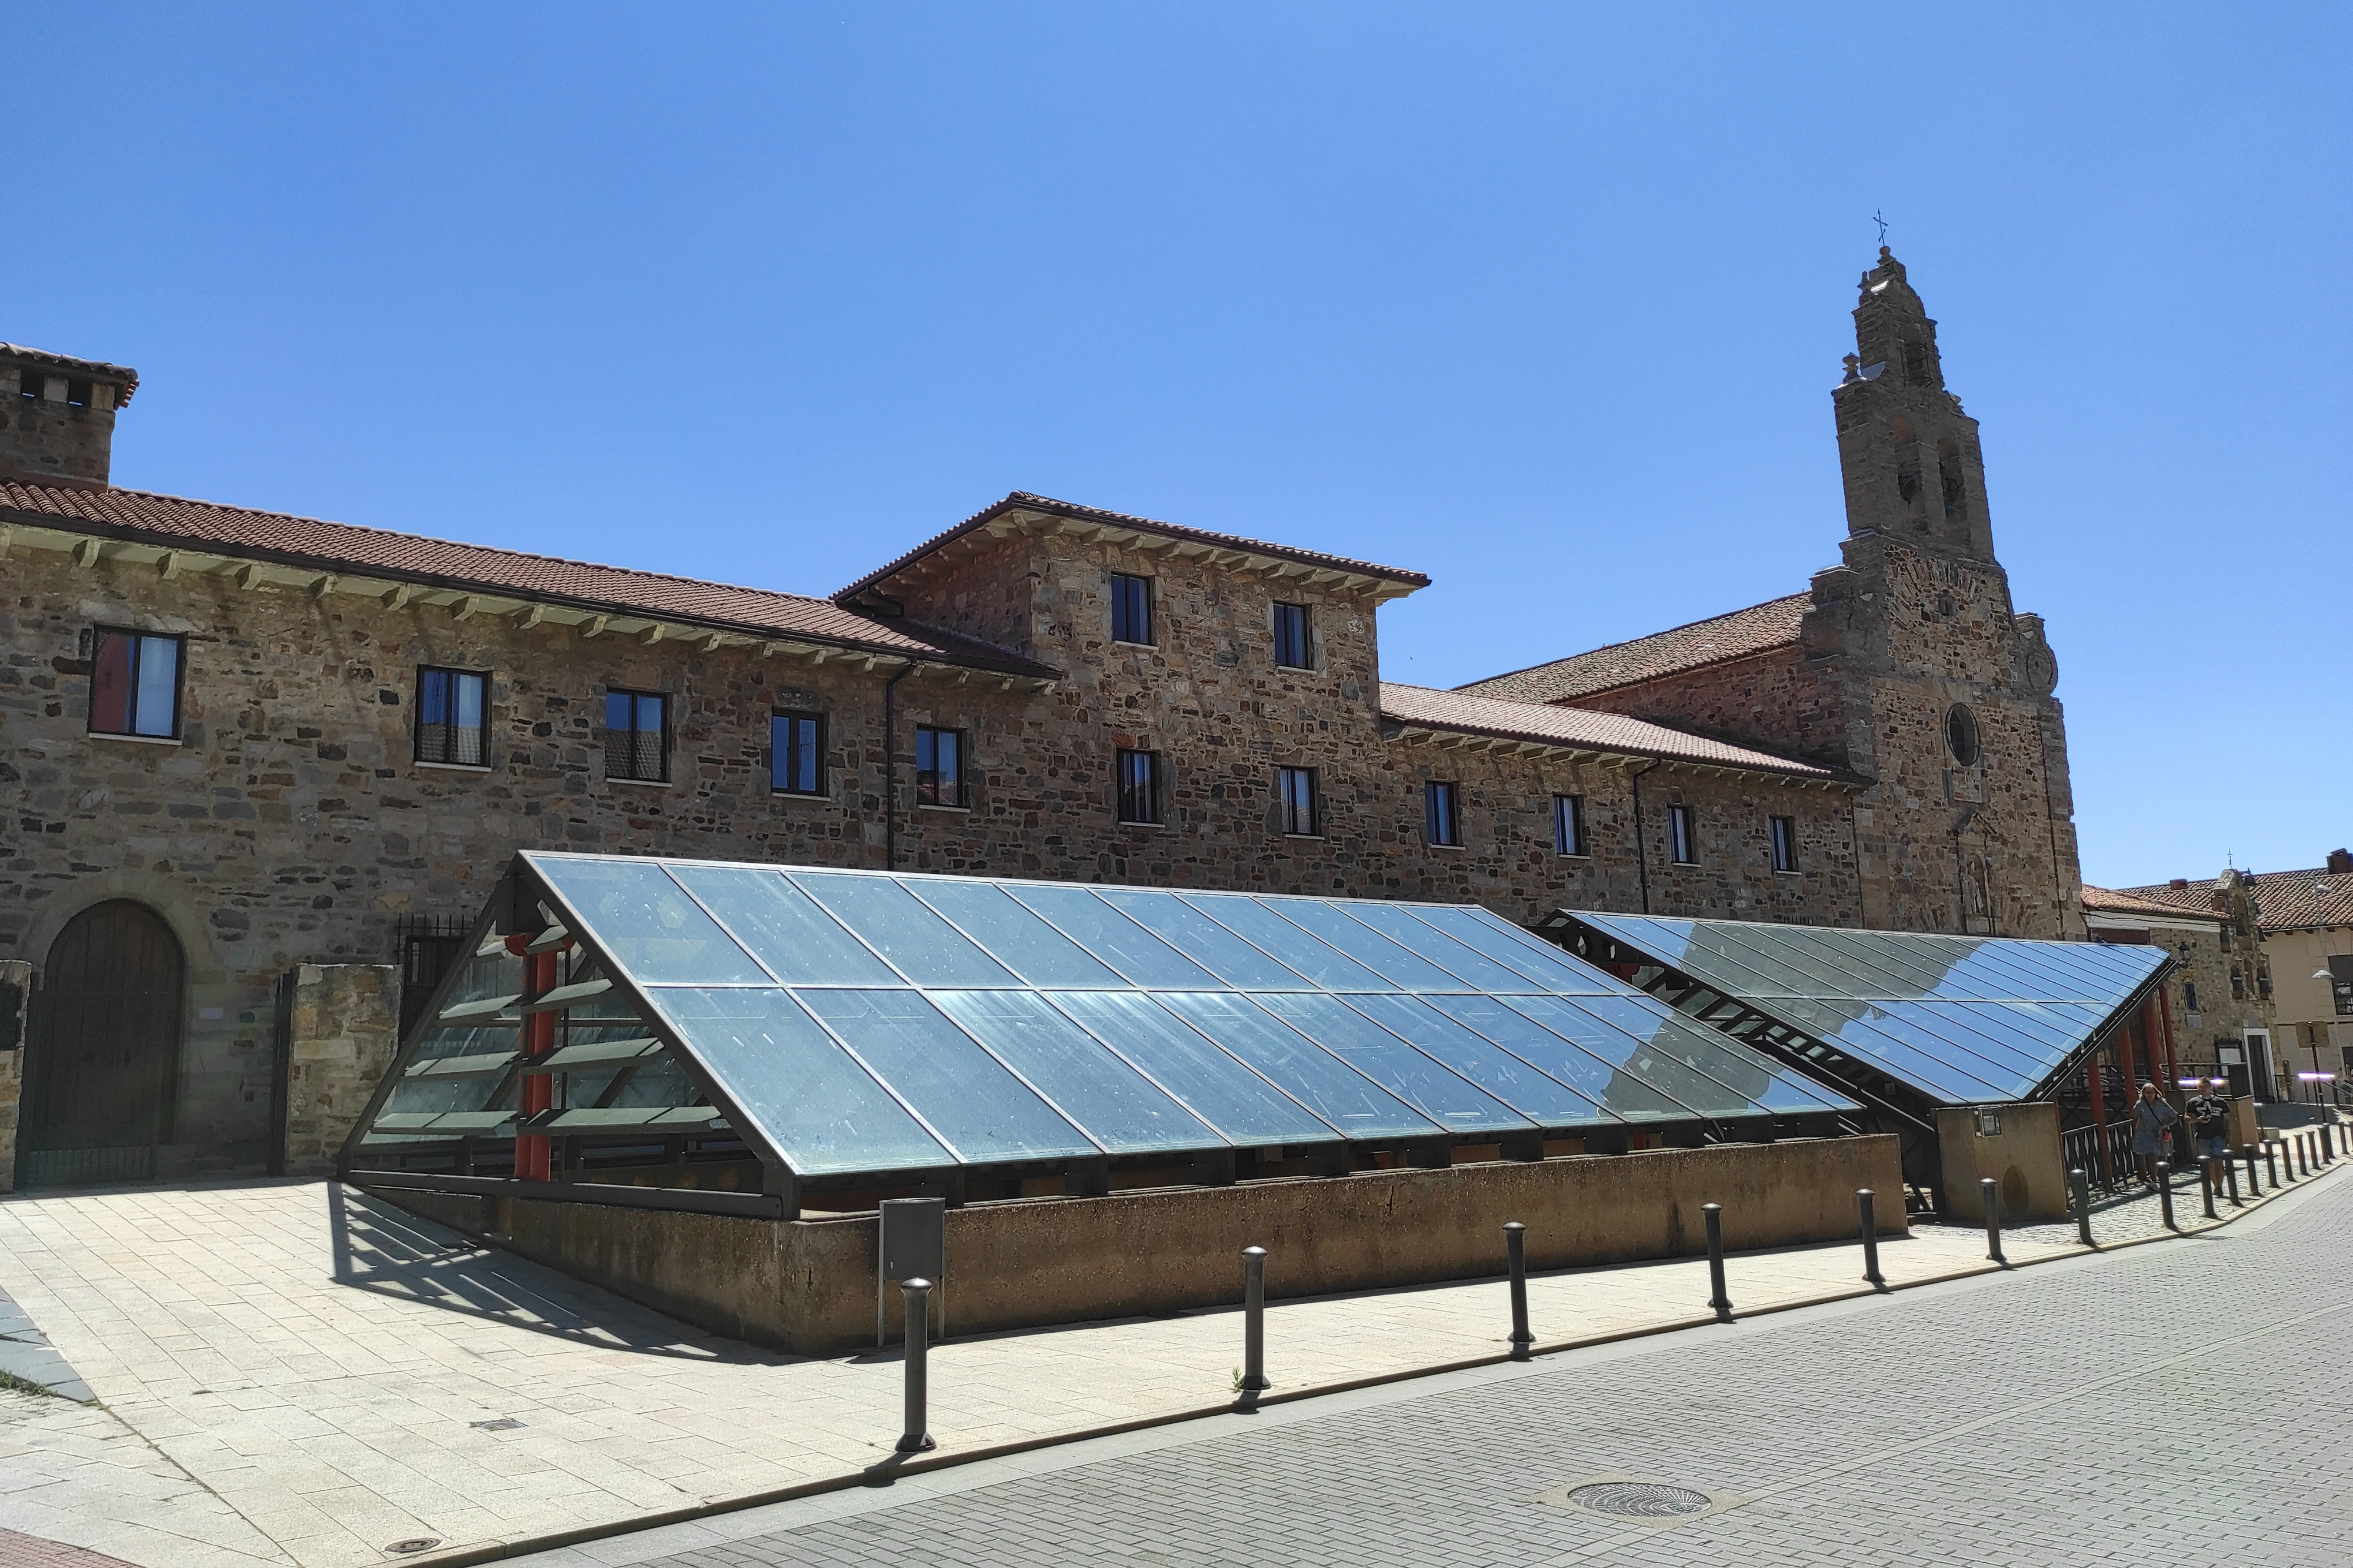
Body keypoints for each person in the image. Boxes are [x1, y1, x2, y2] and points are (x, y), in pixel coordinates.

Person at [2129, 1081, 2179, 1186]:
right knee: (2150, 1156)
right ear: (2144, 1093)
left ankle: (2162, 1178)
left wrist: (2165, 1125)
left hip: (2159, 1132)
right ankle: (2153, 1179)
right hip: (2145, 1133)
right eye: (2147, 1092)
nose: (2150, 1094)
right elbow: (2135, 1114)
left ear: (2155, 1092)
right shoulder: (2141, 1104)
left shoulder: (2162, 1103)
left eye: (2152, 1092)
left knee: (2161, 1156)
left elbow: (2174, 1116)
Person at [2185, 1079, 2232, 1182]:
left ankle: (2219, 1186)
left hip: (2219, 1136)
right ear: (2198, 1088)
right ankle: (2215, 1183)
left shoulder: (2220, 1102)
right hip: (2202, 1136)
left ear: (2211, 1087)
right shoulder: (2193, 1102)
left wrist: (2228, 1136)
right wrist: (2198, 1120)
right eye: (2201, 1087)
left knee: (2219, 1161)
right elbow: (2187, 1118)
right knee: (2208, 1164)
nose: (2204, 1089)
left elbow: (2228, 1119)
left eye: (2206, 1087)